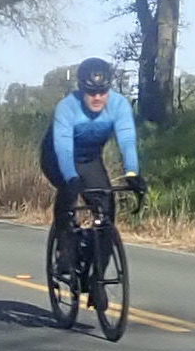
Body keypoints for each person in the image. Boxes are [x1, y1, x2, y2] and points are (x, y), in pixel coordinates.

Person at [42, 57, 147, 255]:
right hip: (56, 158)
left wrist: (132, 173)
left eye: (102, 92)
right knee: (68, 193)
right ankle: (65, 248)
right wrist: (71, 178)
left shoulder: (119, 105)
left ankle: (97, 263)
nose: (97, 97)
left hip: (89, 159)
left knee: (106, 209)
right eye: (91, 92)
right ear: (81, 89)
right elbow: (63, 148)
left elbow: (127, 141)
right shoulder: (67, 107)